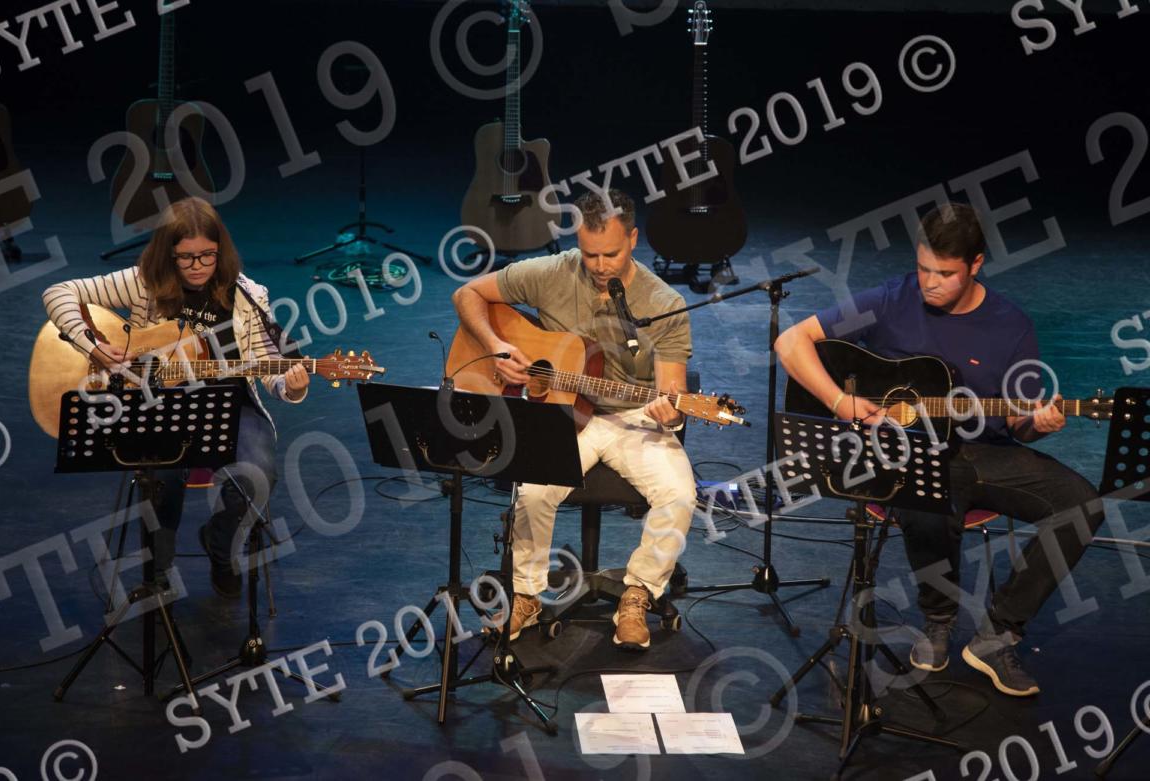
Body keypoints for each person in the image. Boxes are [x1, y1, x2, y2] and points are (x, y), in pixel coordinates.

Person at [775, 202, 1103, 697]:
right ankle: (939, 620)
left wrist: (1040, 423)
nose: (929, 283)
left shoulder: (1011, 325)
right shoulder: (891, 299)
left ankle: (999, 634)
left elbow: (1019, 424)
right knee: (927, 494)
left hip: (986, 451)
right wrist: (840, 401)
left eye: (945, 274)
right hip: (909, 452)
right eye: (923, 268)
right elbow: (791, 341)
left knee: (1082, 503)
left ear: (976, 264)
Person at [451, 188, 696, 650]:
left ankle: (638, 593)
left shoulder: (663, 301)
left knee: (679, 494)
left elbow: (672, 388)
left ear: (634, 239)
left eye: (611, 254)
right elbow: (467, 294)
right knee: (532, 491)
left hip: (633, 417)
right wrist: (496, 346)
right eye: (589, 254)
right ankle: (526, 596)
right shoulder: (551, 273)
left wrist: (670, 409)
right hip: (562, 413)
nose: (600, 265)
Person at [42, 197, 309, 597]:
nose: (198, 266)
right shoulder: (142, 282)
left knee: (257, 476)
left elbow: (267, 364)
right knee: (161, 476)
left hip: (230, 402)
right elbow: (58, 292)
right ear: (168, 254)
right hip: (158, 402)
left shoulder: (248, 294)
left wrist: (293, 386)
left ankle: (221, 548)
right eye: (186, 257)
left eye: (208, 255)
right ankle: (158, 573)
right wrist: (92, 346)